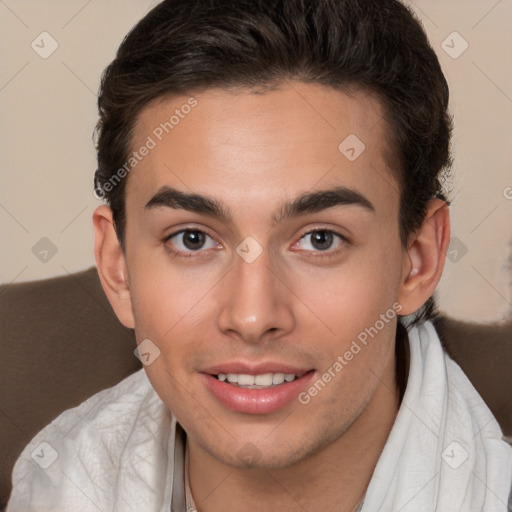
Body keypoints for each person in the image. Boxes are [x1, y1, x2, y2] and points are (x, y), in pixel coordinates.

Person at [7, 0, 512, 510]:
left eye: (320, 239)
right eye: (192, 239)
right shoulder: (50, 488)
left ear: (418, 259)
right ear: (117, 269)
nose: (252, 317)